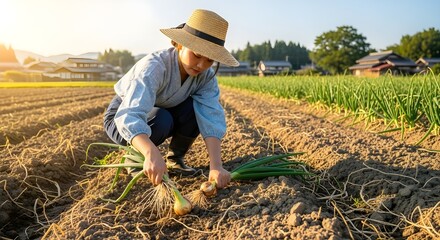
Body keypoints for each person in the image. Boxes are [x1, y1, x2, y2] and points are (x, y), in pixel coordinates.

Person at [103, 9, 239, 189]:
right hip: (123, 116)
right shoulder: (154, 67)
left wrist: (216, 166)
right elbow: (131, 114)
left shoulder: (205, 77)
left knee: (195, 108)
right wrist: (151, 152)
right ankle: (135, 154)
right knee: (161, 119)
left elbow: (211, 115)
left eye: (209, 60)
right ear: (180, 44)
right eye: (197, 55)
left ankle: (176, 159)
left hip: (160, 109)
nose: (201, 65)